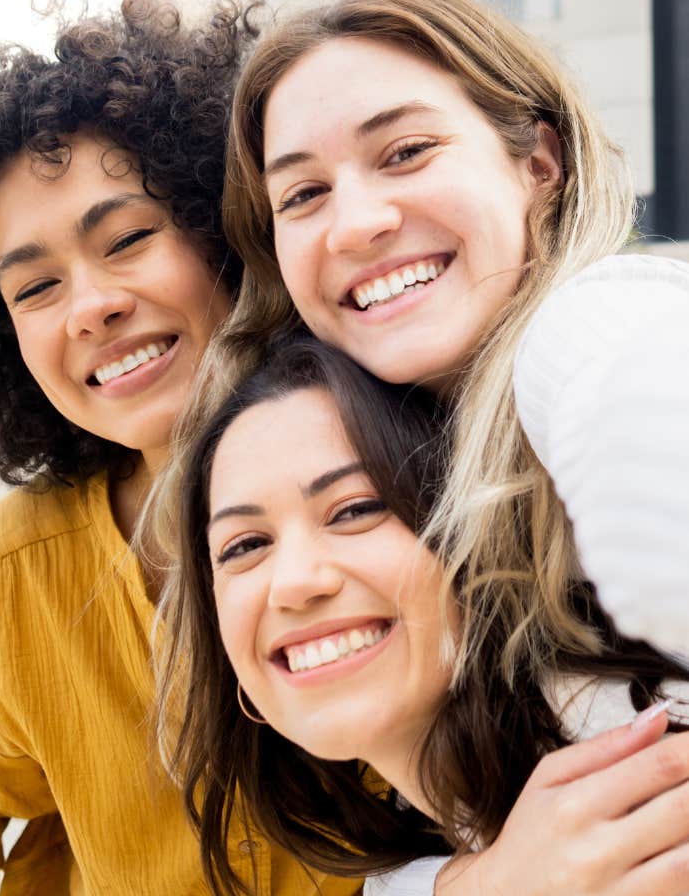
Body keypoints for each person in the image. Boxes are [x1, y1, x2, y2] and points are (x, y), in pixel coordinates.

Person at [151, 0, 689, 893]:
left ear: (540, 162)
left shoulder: (595, 335)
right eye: (304, 194)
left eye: (406, 151)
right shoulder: (477, 476)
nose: (358, 222)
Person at [0, 0, 360, 896]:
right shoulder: (11, 573)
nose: (91, 307)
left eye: (127, 238)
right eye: (34, 290)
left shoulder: (420, 496)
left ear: (228, 230)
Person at [164, 334, 689, 896]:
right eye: (244, 546)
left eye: (355, 510)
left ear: (467, 532)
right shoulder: (421, 856)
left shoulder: (634, 741)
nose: (294, 583)